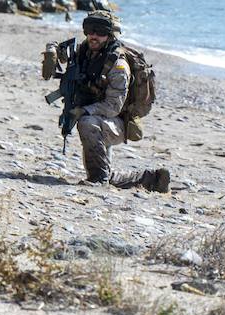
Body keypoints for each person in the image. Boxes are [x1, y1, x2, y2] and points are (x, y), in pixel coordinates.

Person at [54, 10, 170, 191]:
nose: (93, 36)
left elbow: (114, 106)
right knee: (103, 171)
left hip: (117, 122)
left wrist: (84, 111)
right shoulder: (85, 52)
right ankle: (151, 179)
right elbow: (65, 63)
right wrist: (53, 52)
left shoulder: (118, 65)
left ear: (109, 34)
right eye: (89, 29)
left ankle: (99, 180)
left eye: (100, 31)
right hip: (100, 118)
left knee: (87, 124)